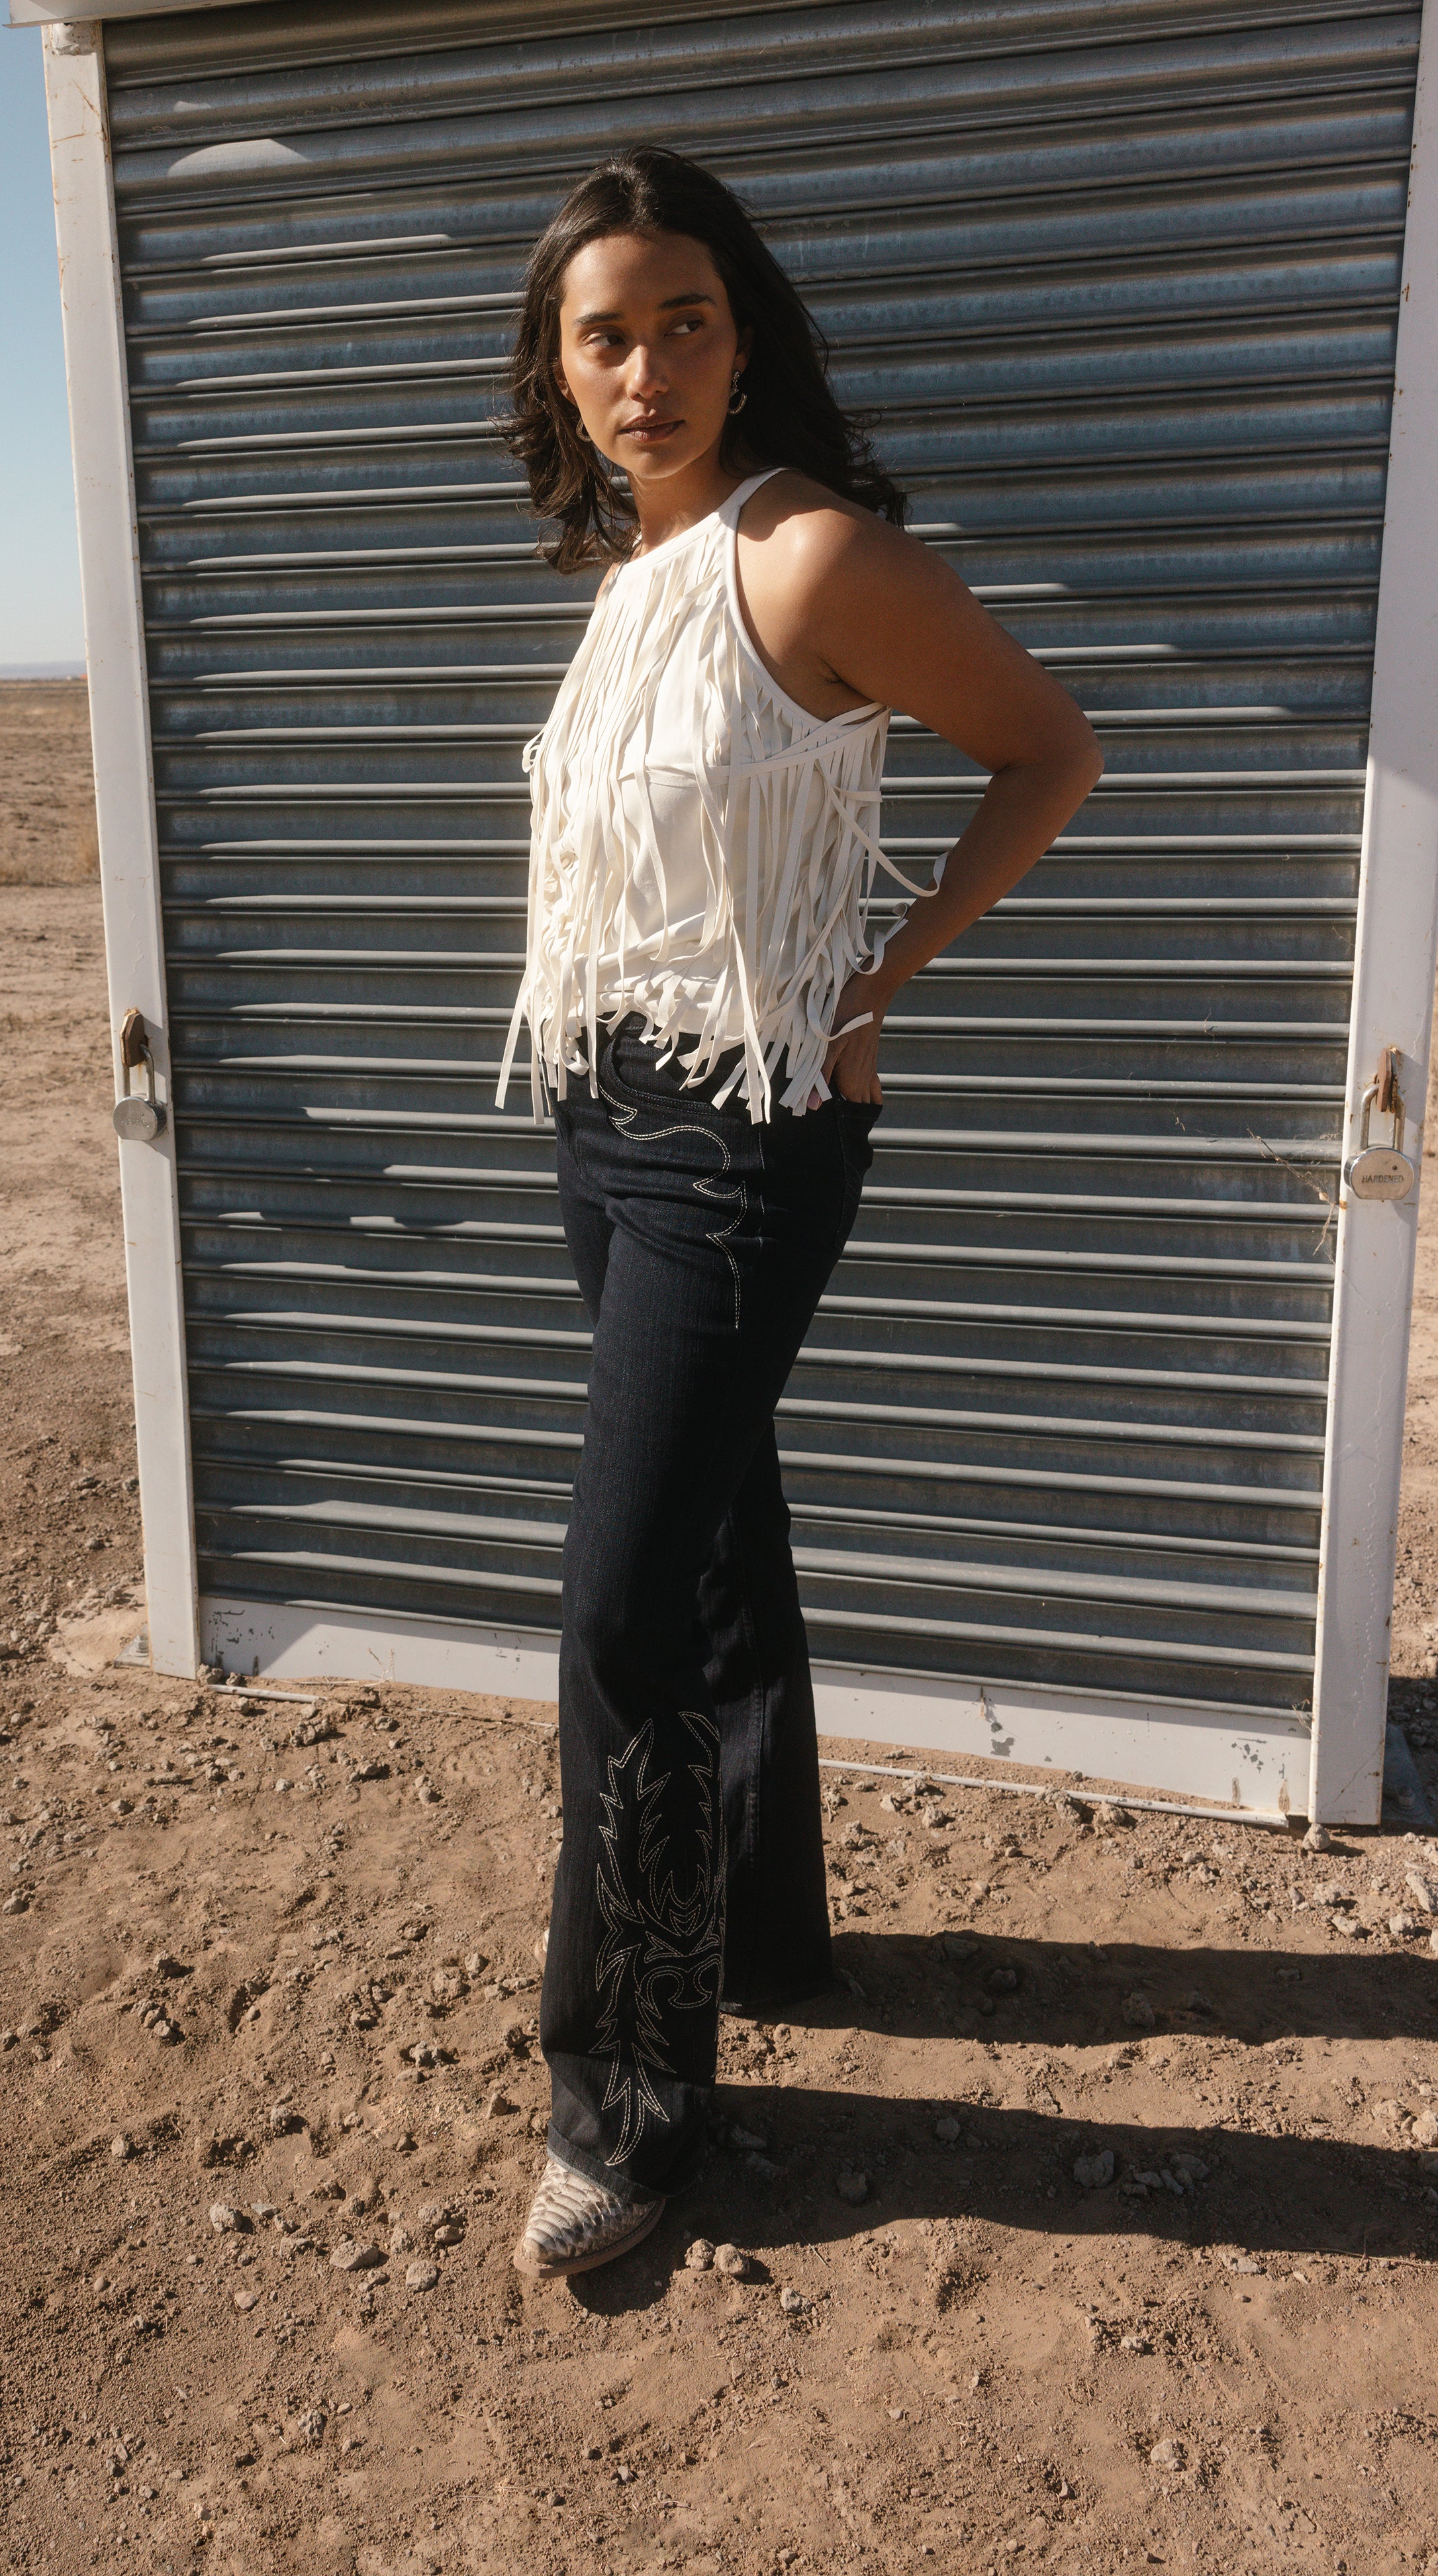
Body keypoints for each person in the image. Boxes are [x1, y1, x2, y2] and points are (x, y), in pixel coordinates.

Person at [495, 146, 1101, 2283]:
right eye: (603, 332)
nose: (645, 365)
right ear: (557, 373)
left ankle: (629, 2103)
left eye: (683, 320)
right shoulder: (627, 574)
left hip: (743, 1137)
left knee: (619, 1610)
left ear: (744, 337)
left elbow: (1048, 746)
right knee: (713, 1540)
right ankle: (768, 1932)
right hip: (609, 1108)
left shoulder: (807, 554)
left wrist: (886, 969)